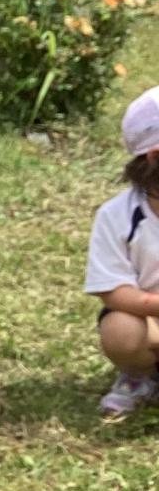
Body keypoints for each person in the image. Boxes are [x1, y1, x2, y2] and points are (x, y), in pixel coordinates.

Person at [86, 84, 159, 419]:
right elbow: (113, 291)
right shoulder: (117, 216)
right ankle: (139, 375)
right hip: (150, 323)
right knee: (120, 330)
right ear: (153, 156)